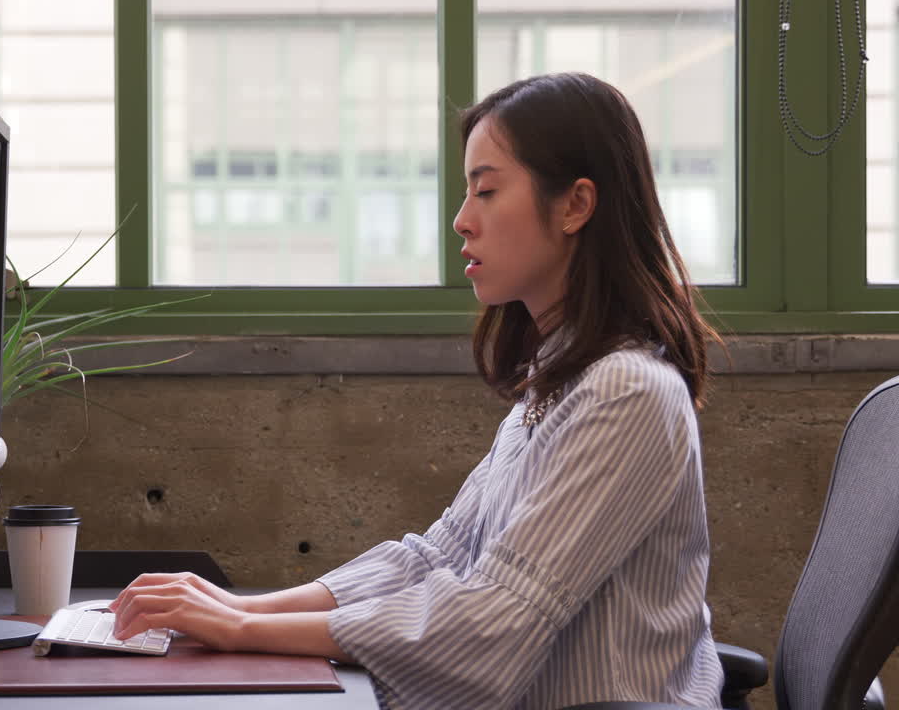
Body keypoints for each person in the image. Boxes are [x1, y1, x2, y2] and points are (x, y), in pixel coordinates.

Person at [107, 72, 726, 710]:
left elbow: (493, 618)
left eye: (486, 190)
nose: (462, 221)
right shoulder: (561, 377)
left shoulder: (625, 390)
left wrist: (243, 631)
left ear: (574, 205)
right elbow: (439, 556)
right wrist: (243, 608)